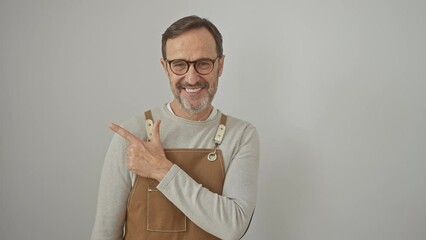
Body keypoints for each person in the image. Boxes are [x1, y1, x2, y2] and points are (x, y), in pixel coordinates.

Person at [91, 15, 260, 240]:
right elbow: (104, 232)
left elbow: (233, 226)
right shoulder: (133, 135)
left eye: (203, 63)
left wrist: (161, 170)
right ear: (165, 68)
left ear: (220, 65)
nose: (191, 78)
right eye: (179, 64)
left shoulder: (240, 136)